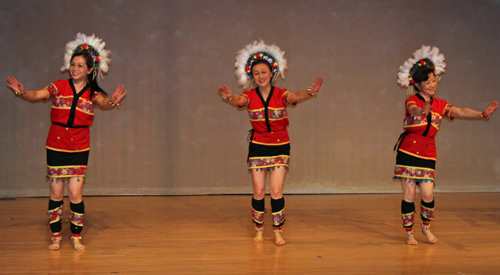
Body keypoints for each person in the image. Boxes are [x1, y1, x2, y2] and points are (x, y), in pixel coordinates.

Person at [6, 33, 127, 251]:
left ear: (90, 69)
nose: (74, 68)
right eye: (73, 64)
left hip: (80, 146)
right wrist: (22, 92)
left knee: (75, 194)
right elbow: (37, 95)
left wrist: (113, 101)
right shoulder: (58, 86)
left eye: (80, 65)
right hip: (56, 145)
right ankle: (55, 235)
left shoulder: (93, 92)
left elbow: (104, 103)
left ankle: (76, 237)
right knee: (56, 193)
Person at [218, 40, 324, 246]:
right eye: (256, 73)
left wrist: (310, 91)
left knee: (276, 191)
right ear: (251, 75)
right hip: (258, 145)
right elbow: (240, 102)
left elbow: (295, 96)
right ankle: (258, 230)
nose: (260, 76)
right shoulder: (249, 95)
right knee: (258, 191)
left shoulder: (281, 93)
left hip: (280, 145)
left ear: (271, 72)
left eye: (263, 72)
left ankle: (278, 231)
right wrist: (229, 97)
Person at [394, 46, 498, 245]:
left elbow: (460, 111)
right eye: (428, 81)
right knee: (408, 194)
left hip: (428, 152)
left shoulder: (440, 104)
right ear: (418, 84)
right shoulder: (411, 100)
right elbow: (414, 110)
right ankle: (409, 232)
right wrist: (421, 111)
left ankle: (426, 228)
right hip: (408, 151)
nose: (433, 84)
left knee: (427, 194)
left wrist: (482, 114)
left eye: (434, 81)